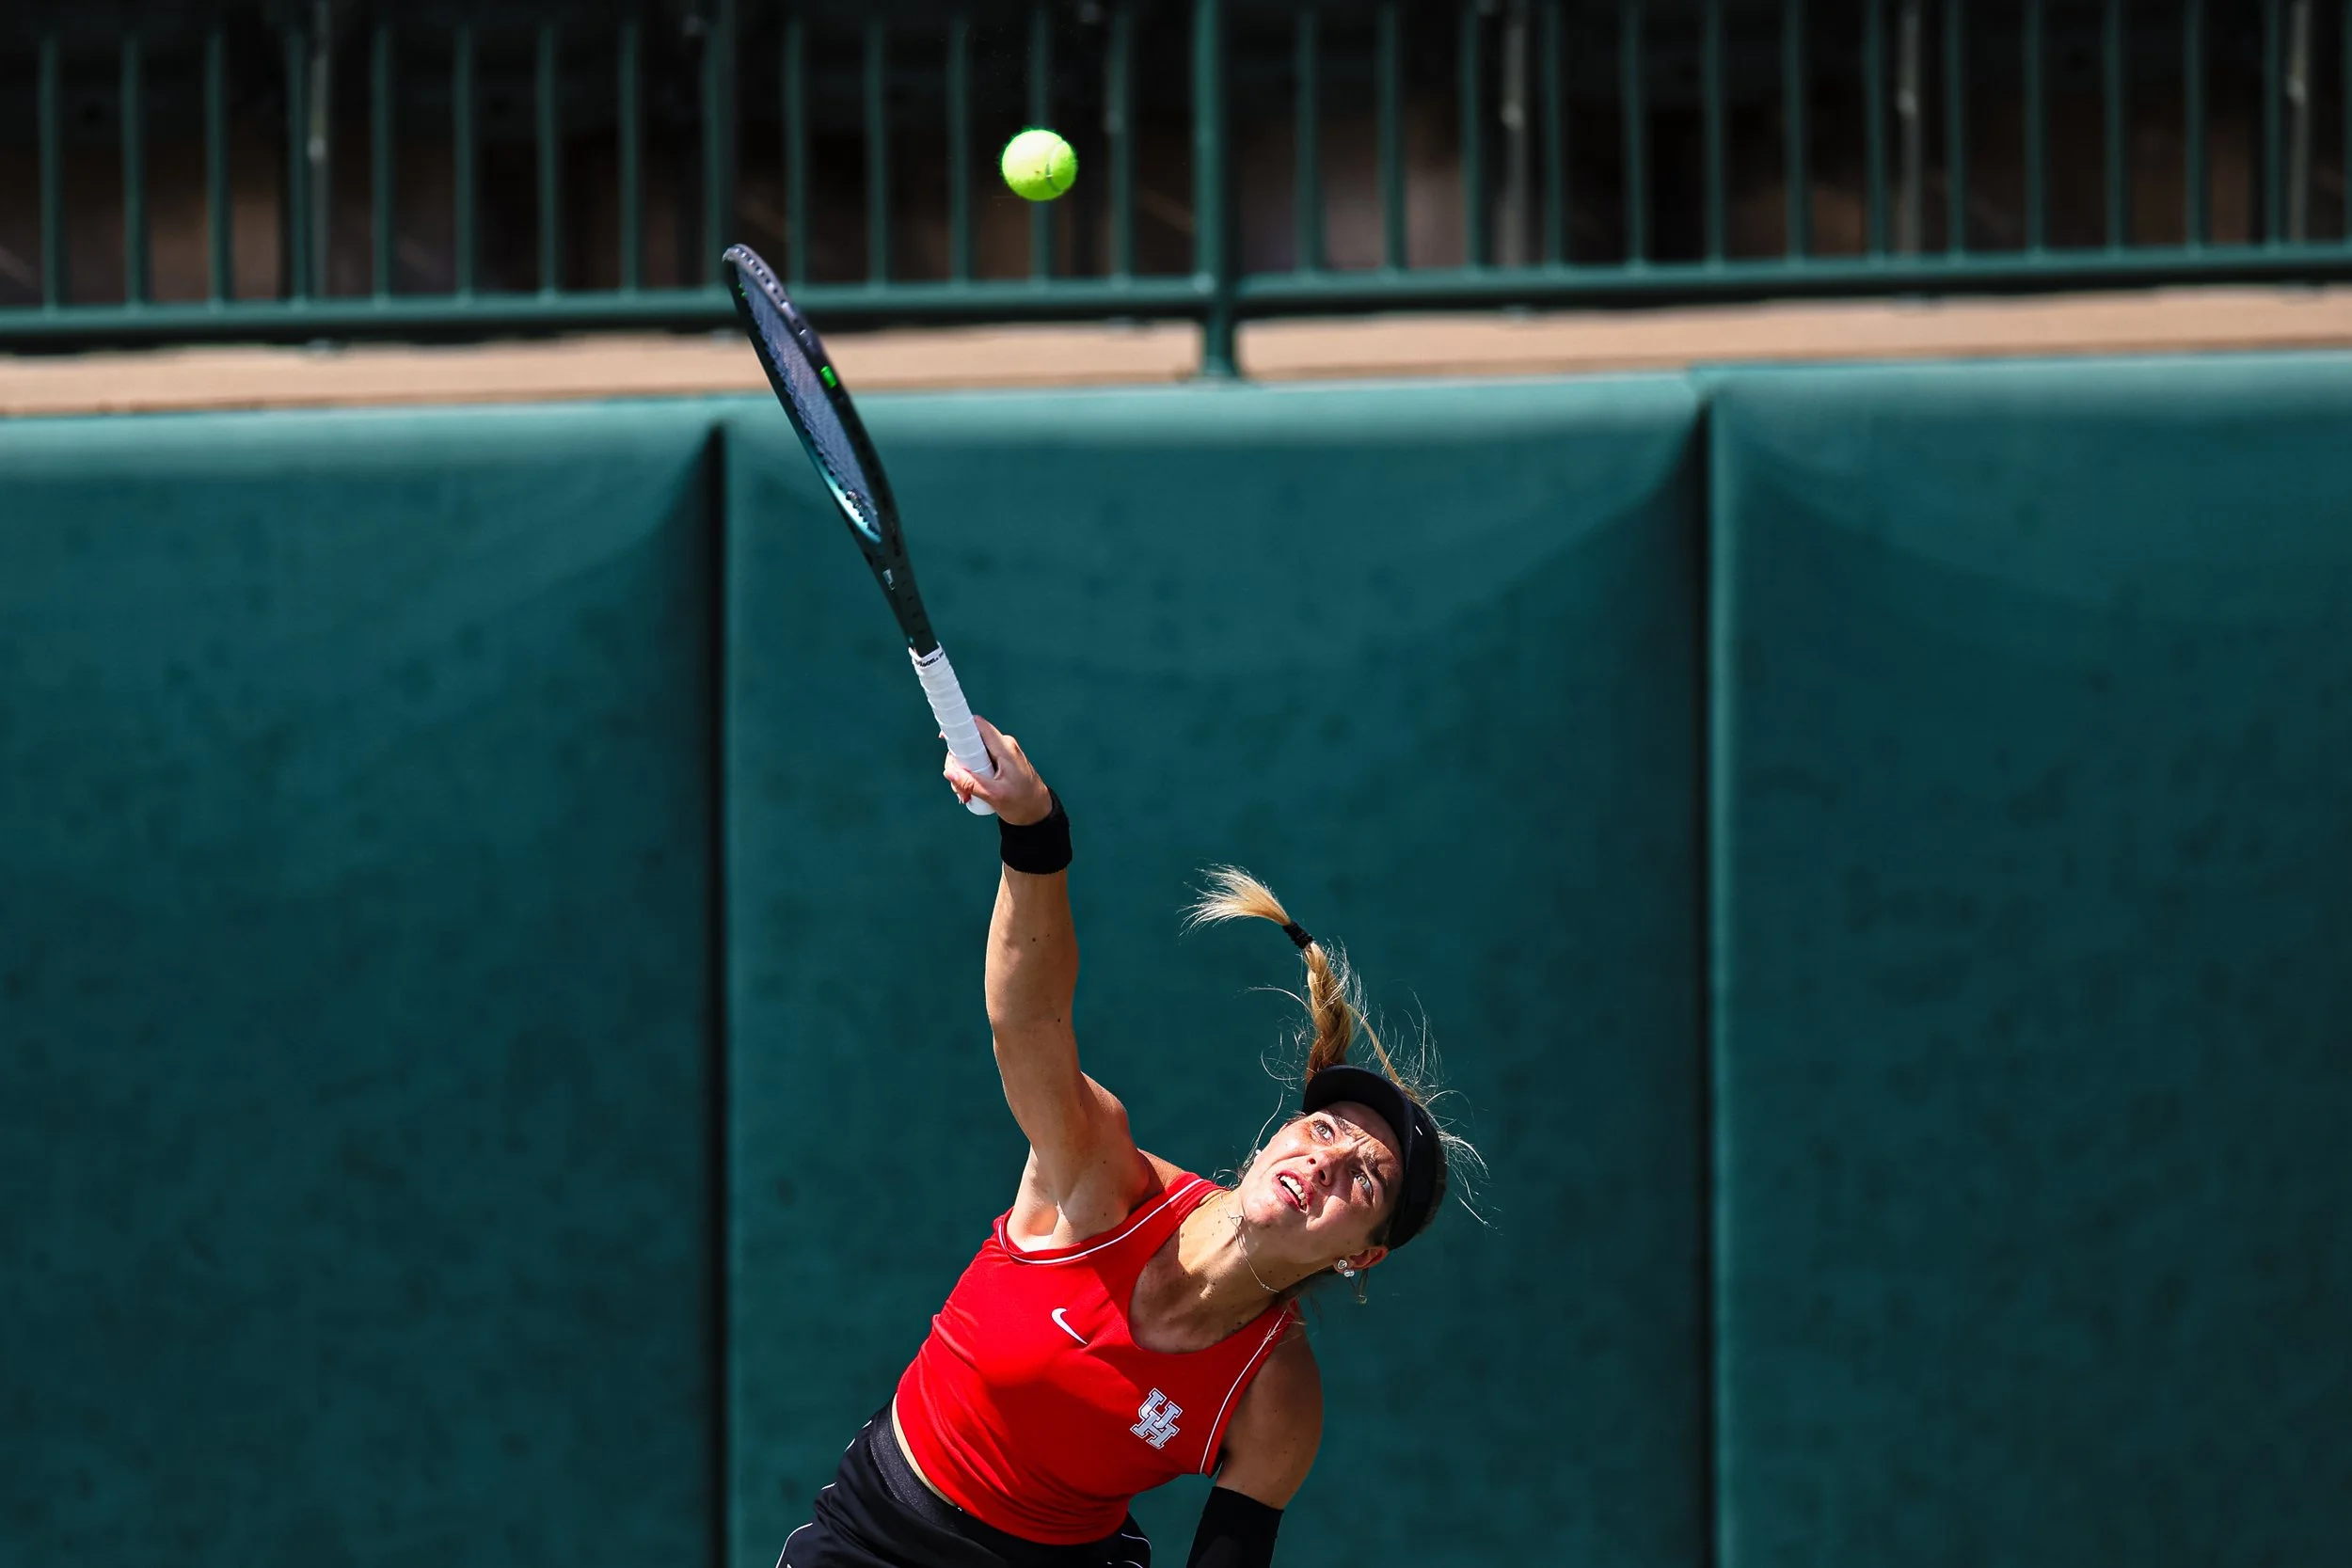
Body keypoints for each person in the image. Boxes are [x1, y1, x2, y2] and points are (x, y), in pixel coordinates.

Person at [778, 716, 1475, 1568]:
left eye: (1364, 1180)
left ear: (1362, 1256)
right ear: (1277, 1136)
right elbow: (1026, 1019)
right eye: (1322, 1128)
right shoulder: (1103, 1179)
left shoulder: (1276, 1397)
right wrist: (1034, 831)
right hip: (877, 1533)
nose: (1325, 1160)